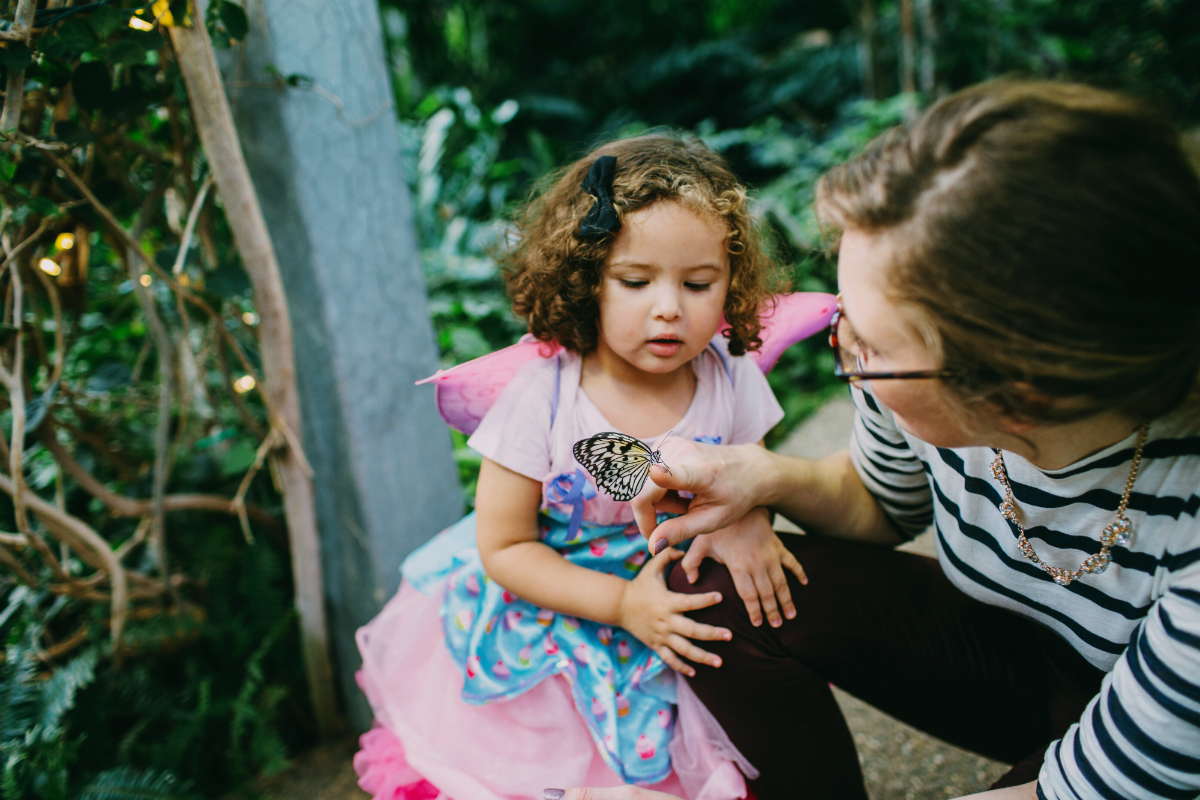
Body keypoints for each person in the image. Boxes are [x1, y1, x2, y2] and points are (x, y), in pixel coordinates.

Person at [555, 81, 1200, 800]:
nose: (848, 356)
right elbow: (880, 502)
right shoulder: (913, 378)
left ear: (1022, 391)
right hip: (1023, 661)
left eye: (868, 344)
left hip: (1161, 754)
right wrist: (761, 475)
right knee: (713, 584)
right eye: (844, 323)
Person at [354, 134, 808, 800]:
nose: (669, 307)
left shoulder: (728, 374)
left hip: (680, 608)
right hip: (559, 622)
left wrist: (751, 519)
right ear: (585, 279)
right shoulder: (545, 396)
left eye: (698, 283)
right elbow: (504, 545)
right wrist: (623, 602)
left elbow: (751, 475)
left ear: (730, 283)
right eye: (635, 281)